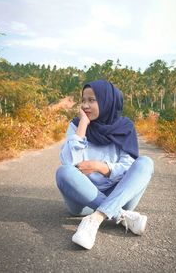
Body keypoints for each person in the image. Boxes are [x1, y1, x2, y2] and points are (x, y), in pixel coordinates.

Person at [56, 79, 154, 250]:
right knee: (63, 172)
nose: (85, 105)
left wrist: (101, 167)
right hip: (83, 202)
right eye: (83, 100)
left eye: (92, 100)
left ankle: (96, 218)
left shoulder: (125, 127)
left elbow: (128, 165)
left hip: (120, 196)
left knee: (145, 163)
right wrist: (83, 126)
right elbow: (70, 163)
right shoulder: (76, 125)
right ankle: (122, 216)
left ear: (107, 101)